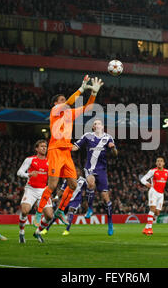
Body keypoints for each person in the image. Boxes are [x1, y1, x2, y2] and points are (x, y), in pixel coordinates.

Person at [33, 75, 104, 230]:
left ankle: (59, 211)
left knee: (73, 184)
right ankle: (38, 213)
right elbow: (69, 102)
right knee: (52, 185)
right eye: (62, 100)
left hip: (66, 152)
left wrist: (93, 93)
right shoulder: (55, 111)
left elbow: (88, 108)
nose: (65, 102)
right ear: (56, 103)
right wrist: (81, 89)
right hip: (55, 150)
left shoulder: (69, 114)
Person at [72, 119, 118, 235]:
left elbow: (115, 154)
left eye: (99, 123)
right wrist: (62, 146)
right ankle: (90, 208)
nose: (97, 125)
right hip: (90, 168)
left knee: (106, 200)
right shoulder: (87, 136)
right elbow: (75, 147)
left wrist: (113, 148)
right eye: (95, 123)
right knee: (91, 183)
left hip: (102, 170)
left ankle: (110, 223)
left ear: (102, 126)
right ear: (93, 127)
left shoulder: (108, 137)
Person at [16, 139, 51, 243]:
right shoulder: (30, 160)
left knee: (49, 216)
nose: (44, 148)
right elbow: (19, 172)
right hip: (31, 189)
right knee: (25, 211)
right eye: (41, 146)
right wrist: (28, 174)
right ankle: (21, 233)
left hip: (44, 190)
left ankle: (37, 232)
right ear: (36, 148)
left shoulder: (50, 161)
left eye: (45, 146)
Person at [42, 167, 88, 235]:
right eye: (75, 171)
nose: (76, 173)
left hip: (76, 200)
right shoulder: (68, 179)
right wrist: (57, 197)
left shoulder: (83, 181)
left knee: (71, 210)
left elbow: (89, 188)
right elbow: (62, 189)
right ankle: (46, 229)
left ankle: (67, 230)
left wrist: (85, 195)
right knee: (57, 214)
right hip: (66, 199)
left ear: (80, 173)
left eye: (77, 171)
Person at [140, 157, 168, 235]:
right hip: (153, 192)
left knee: (157, 213)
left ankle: (146, 227)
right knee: (152, 208)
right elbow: (143, 179)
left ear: (164, 163)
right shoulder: (152, 171)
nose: (159, 162)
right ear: (156, 163)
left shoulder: (167, 172)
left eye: (161, 161)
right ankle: (149, 228)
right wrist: (146, 183)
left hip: (161, 194)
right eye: (158, 161)